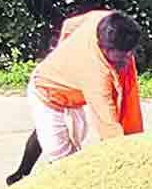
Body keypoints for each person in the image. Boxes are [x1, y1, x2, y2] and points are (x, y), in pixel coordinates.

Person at [22, 9, 144, 167]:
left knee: (48, 131)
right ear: (104, 48)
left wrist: (64, 54)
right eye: (121, 56)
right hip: (45, 93)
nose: (128, 58)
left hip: (71, 97)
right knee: (64, 162)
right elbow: (108, 124)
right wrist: (124, 159)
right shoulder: (96, 75)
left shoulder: (103, 20)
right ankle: (26, 177)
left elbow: (69, 25)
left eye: (131, 52)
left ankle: (19, 174)